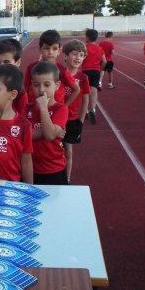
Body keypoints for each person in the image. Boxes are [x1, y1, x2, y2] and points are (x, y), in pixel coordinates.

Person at [26, 61, 69, 185]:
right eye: (36, 85)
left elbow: (49, 135)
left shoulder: (60, 109)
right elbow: (21, 136)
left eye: (47, 85)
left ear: (57, 85)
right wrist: (50, 131)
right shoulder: (27, 108)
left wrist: (43, 108)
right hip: (31, 168)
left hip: (54, 169)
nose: (41, 90)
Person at [23, 29, 80, 109]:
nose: (50, 52)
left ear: (59, 51)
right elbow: (26, 89)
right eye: (46, 48)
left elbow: (76, 89)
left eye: (54, 48)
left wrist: (64, 107)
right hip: (35, 110)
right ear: (40, 49)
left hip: (55, 113)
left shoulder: (62, 70)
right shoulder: (31, 68)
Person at [61, 40, 90, 183]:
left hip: (71, 120)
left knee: (68, 150)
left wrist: (81, 120)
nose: (78, 57)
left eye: (82, 55)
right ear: (65, 56)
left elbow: (85, 100)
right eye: (74, 54)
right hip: (56, 119)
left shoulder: (83, 78)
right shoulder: (58, 74)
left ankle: (67, 179)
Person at [0, 38, 27, 116]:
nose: (1, 66)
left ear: (18, 62)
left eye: (6, 62)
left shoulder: (21, 92)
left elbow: (23, 119)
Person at [81, 28, 106, 124]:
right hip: (96, 71)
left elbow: (80, 59)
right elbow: (104, 61)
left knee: (85, 92)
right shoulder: (100, 48)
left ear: (87, 37)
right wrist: (101, 69)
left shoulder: (84, 47)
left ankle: (85, 110)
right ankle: (93, 109)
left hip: (85, 71)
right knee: (94, 90)